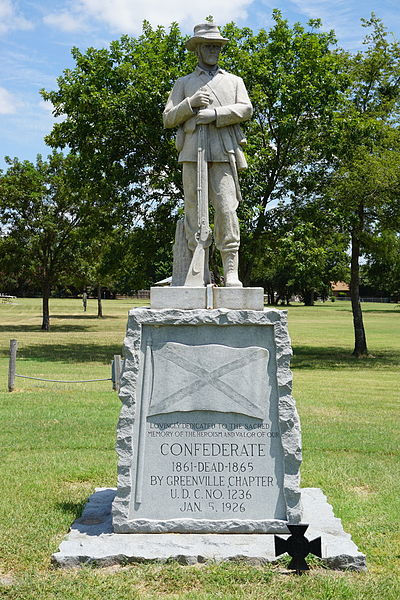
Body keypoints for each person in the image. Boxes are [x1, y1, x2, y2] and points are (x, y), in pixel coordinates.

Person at [163, 22, 253, 287]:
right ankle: (197, 269)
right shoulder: (184, 83)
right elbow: (168, 117)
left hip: (224, 151)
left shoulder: (234, 81)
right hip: (192, 153)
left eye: (217, 46)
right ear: (198, 49)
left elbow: (245, 109)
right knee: (194, 210)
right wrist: (190, 104)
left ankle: (231, 271)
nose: (213, 50)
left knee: (227, 210)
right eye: (208, 45)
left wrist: (213, 114)